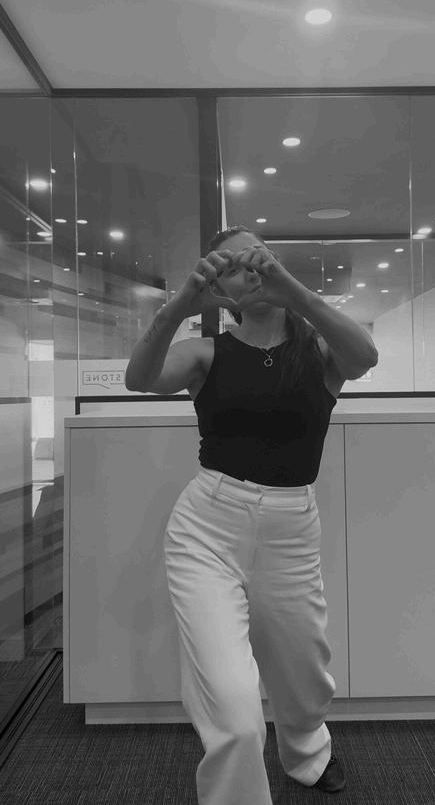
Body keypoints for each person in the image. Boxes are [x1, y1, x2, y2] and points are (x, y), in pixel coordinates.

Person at [128, 226, 346, 804]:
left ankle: (308, 750)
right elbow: (139, 378)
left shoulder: (319, 351)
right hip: (207, 528)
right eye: (229, 266)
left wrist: (295, 293)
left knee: (303, 675)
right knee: (232, 707)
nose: (247, 270)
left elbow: (366, 356)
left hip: (291, 530)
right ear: (220, 288)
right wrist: (180, 306)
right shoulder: (208, 353)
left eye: (256, 258)